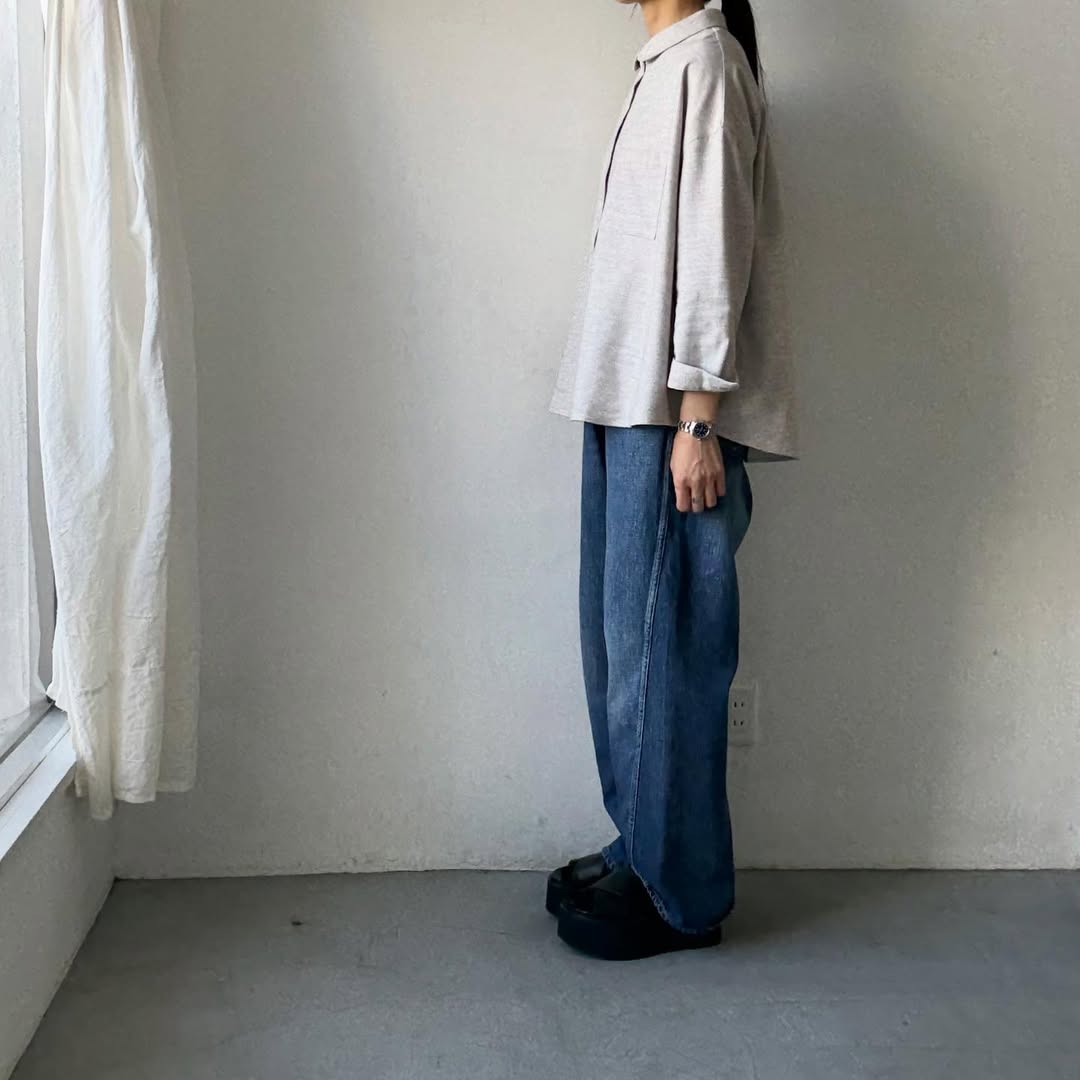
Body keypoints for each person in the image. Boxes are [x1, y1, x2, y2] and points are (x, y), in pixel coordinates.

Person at [547, 0, 799, 961]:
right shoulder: (665, 66)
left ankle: (680, 894)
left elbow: (715, 254)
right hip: (625, 407)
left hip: (672, 420)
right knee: (625, 659)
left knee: (668, 662)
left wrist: (698, 419)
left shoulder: (709, 66)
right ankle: (642, 848)